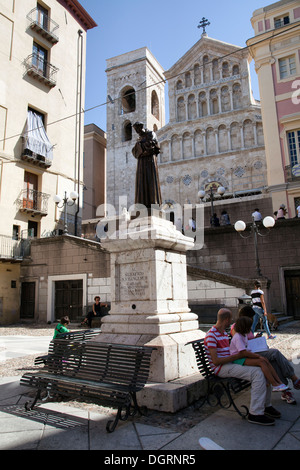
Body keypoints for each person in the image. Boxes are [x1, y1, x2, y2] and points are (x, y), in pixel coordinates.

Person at [204, 308, 281, 425]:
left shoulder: (223, 333)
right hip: (221, 368)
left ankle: (265, 405)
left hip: (230, 363)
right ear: (226, 320)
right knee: (257, 373)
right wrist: (238, 357)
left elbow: (233, 352)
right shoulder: (211, 335)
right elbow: (215, 361)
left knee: (262, 368)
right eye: (230, 320)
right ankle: (255, 413)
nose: (231, 322)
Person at [232, 305, 300, 405]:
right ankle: (293, 379)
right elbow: (241, 344)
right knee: (274, 353)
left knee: (273, 360)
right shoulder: (237, 327)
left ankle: (284, 390)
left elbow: (247, 339)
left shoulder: (246, 325)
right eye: (250, 317)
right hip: (249, 355)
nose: (252, 319)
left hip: (255, 350)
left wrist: (256, 338)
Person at [230, 317, 288, 392]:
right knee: (261, 362)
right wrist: (257, 356)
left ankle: (279, 382)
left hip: (244, 356)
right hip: (239, 359)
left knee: (265, 360)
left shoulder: (243, 335)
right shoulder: (238, 337)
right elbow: (242, 352)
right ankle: (274, 383)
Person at [132, 122, 162, 210]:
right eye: (135, 130)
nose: (137, 131)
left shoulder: (151, 134)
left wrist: (141, 147)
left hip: (150, 161)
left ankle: (154, 204)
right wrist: (141, 147)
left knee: (151, 180)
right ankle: (142, 205)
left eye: (138, 129)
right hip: (141, 163)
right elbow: (134, 152)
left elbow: (152, 144)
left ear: (141, 127)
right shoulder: (139, 138)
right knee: (141, 182)